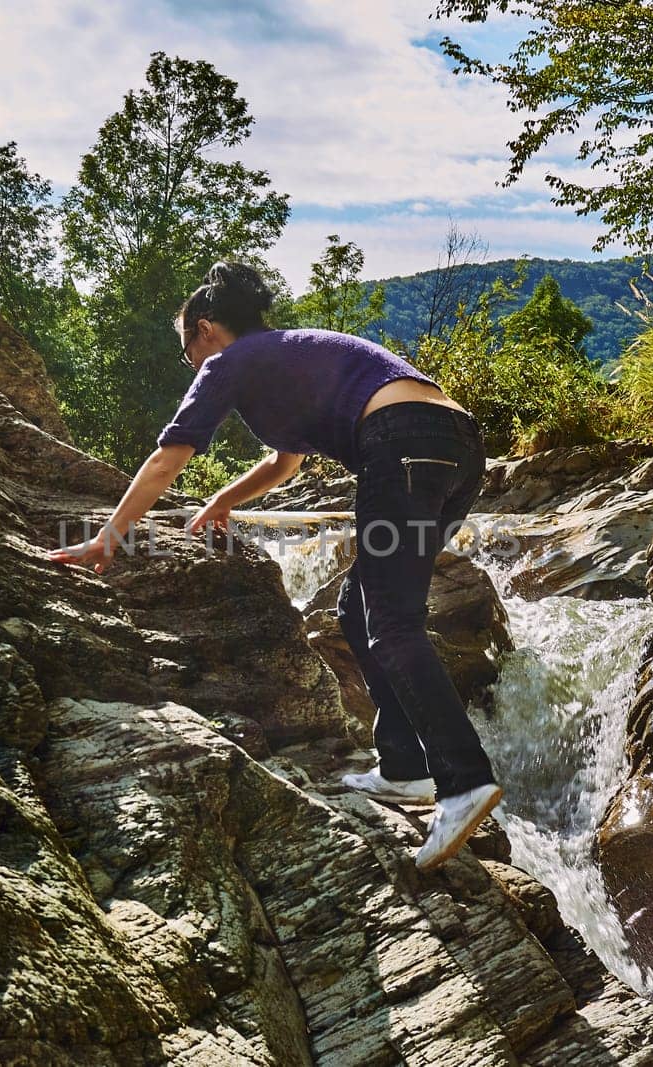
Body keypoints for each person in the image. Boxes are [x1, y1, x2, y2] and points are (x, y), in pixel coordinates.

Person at [47, 261, 501, 871]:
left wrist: (109, 536)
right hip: (455, 444)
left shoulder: (230, 362)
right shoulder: (288, 355)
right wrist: (223, 501)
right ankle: (407, 766)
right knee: (358, 605)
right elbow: (283, 464)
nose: (189, 358)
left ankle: (465, 779)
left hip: (400, 442)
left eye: (185, 343)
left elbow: (169, 456)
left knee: (391, 621)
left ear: (205, 328)